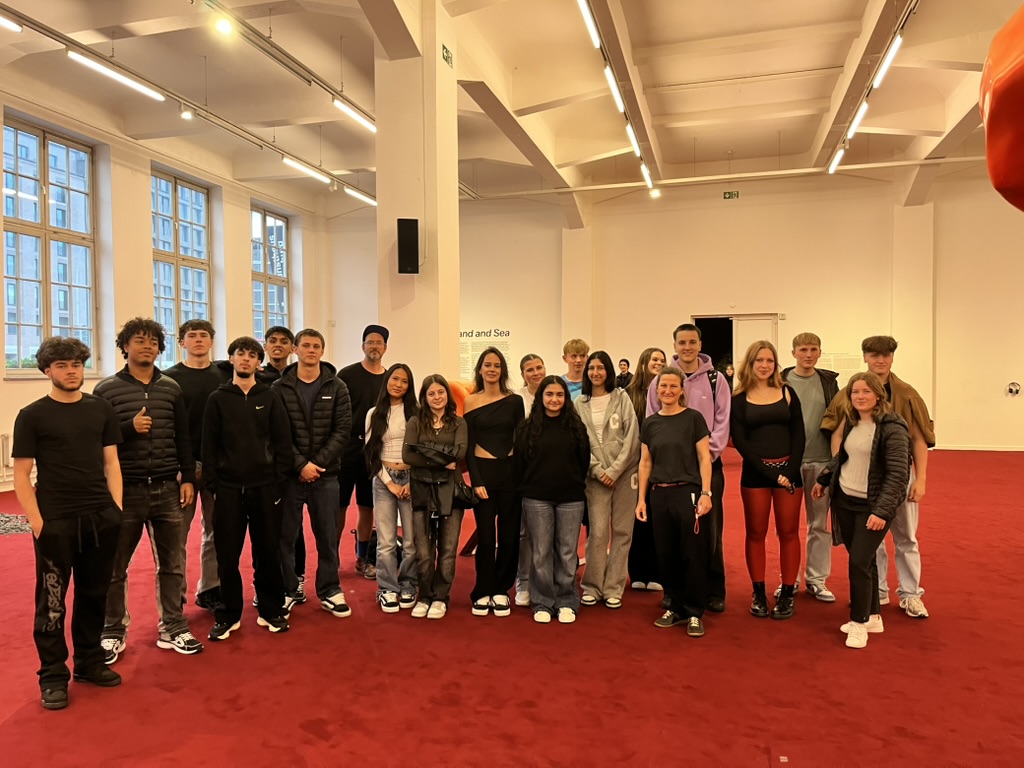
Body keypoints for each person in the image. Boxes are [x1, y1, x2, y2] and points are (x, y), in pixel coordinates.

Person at [13, 337, 124, 710]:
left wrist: (116, 509)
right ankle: (53, 676)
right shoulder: (32, 415)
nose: (71, 371)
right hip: (56, 521)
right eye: (62, 365)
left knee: (94, 595)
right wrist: (37, 522)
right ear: (47, 371)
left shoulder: (100, 409)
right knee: (52, 603)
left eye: (76, 364)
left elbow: (111, 462)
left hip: (100, 518)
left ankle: (89, 663)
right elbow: (22, 474)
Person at [94, 317, 201, 663]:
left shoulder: (171, 388)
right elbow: (97, 440)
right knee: (114, 567)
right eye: (139, 341)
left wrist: (188, 477)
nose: (147, 347)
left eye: (153, 342)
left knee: (172, 564)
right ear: (125, 346)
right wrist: (129, 427)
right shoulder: (106, 390)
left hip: (168, 488)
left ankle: (174, 626)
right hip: (125, 491)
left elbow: (183, 437)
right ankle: (112, 631)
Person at [822, 335, 935, 619]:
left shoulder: (907, 394)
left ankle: (911, 594)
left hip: (897, 478)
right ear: (865, 357)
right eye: (874, 355)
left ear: (893, 357)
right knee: (872, 542)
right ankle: (877, 591)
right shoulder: (849, 392)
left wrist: (920, 479)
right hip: (861, 483)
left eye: (886, 355)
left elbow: (919, 438)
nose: (880, 360)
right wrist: (838, 470)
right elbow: (838, 434)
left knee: (906, 537)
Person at [203, 336, 293, 640]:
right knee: (227, 555)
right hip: (228, 489)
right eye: (240, 354)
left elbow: (282, 442)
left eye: (252, 355)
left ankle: (271, 609)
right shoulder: (218, 398)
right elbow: (208, 445)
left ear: (258, 362)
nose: (245, 359)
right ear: (231, 359)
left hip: (265, 487)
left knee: (267, 551)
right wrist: (215, 484)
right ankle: (228, 614)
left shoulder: (270, 396)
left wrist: (277, 481)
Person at [812, 373, 910, 648]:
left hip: (873, 506)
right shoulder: (853, 421)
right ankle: (873, 617)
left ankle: (858, 622)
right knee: (865, 560)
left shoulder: (893, 427)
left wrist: (881, 511)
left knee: (858, 562)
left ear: (878, 395)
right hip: (845, 501)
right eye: (855, 391)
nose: (860, 396)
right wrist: (823, 479)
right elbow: (843, 457)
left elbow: (898, 475)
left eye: (866, 391)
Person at [646, 325, 730, 613]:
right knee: (673, 536)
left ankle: (713, 590)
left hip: (707, 468)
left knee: (710, 531)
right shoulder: (661, 380)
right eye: (682, 342)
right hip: (672, 470)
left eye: (692, 342)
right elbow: (652, 420)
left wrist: (705, 455)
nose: (687, 347)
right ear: (674, 345)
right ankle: (676, 592)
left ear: (700, 344)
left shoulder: (716, 379)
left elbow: (722, 421)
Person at [273, 329, 354, 619]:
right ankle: (288, 589)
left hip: (326, 476)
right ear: (295, 350)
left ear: (322, 350)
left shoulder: (338, 386)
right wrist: (299, 465)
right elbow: (277, 432)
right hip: (290, 477)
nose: (311, 350)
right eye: (305, 345)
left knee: (328, 537)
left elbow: (342, 430)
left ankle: (330, 590)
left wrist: (316, 465)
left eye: (316, 346)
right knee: (285, 538)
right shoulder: (279, 388)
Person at [635, 366, 713, 638]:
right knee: (666, 553)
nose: (667, 391)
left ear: (682, 390)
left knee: (692, 553)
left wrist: (706, 493)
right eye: (663, 386)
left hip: (687, 493)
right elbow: (645, 463)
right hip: (659, 495)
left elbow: (704, 458)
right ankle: (674, 606)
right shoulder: (650, 423)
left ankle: (694, 612)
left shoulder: (693, 419)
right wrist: (641, 499)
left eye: (673, 386)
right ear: (656, 391)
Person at [729, 340, 805, 620]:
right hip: (756, 474)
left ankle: (787, 593)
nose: (764, 365)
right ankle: (758, 592)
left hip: (789, 473)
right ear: (750, 364)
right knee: (756, 532)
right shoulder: (739, 398)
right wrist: (771, 473)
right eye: (759, 360)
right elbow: (740, 441)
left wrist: (791, 470)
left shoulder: (787, 392)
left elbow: (799, 434)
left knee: (789, 532)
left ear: (776, 364)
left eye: (769, 360)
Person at [164, 319, 230, 612]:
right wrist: (182, 467)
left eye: (204, 335)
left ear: (212, 342)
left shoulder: (224, 375)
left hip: (218, 466)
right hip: (182, 468)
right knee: (176, 536)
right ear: (182, 342)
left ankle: (210, 588)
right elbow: (167, 427)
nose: (199, 340)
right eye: (192, 336)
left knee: (216, 532)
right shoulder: (169, 379)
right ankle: (175, 600)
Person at [515, 376, 590, 624]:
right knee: (540, 552)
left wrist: (572, 483)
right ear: (541, 397)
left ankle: (567, 600)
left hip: (570, 498)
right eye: (549, 394)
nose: (554, 399)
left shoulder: (576, 428)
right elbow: (520, 463)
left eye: (559, 395)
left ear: (566, 398)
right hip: (536, 498)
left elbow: (583, 461)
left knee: (567, 552)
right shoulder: (527, 428)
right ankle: (543, 602)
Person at [575, 351, 640, 609]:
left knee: (623, 531)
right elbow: (578, 442)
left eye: (601, 368)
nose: (596, 372)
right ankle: (592, 586)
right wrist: (597, 470)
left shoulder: (621, 398)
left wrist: (614, 471)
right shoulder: (579, 403)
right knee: (598, 532)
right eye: (591, 368)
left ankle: (614, 587)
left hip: (624, 475)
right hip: (595, 478)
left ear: (609, 371)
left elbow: (632, 437)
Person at [464, 347, 526, 617]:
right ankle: (483, 590)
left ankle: (502, 589)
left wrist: (521, 477)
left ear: (503, 370)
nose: (492, 369)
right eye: (487, 365)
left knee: (510, 537)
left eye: (497, 365)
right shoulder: (470, 401)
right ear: (480, 369)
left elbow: (520, 441)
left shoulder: (514, 401)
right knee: (487, 538)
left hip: (510, 474)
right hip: (483, 474)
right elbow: (468, 446)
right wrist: (475, 480)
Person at [403, 375, 468, 620]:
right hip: (422, 489)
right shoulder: (415, 422)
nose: (437, 397)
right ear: (424, 397)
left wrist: (425, 451)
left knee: (448, 548)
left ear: (447, 395)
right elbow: (408, 456)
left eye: (441, 392)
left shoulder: (459, 422)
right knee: (423, 549)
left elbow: (459, 453)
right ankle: (425, 596)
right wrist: (442, 459)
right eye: (431, 393)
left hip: (450, 490)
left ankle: (441, 597)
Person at [781, 332, 840, 602]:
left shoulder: (829, 383)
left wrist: (835, 460)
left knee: (819, 525)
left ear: (820, 352)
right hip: (789, 463)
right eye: (803, 349)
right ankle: (788, 579)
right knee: (787, 527)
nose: (808, 354)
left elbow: (839, 420)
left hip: (821, 461)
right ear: (793, 352)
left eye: (813, 349)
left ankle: (816, 579)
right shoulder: (780, 381)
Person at [365, 363, 419, 612]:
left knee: (411, 541)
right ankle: (387, 588)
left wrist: (410, 481)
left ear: (410, 386)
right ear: (387, 380)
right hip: (383, 479)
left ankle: (409, 584)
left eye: (404, 381)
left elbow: (421, 451)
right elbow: (371, 453)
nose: (398, 384)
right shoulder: (374, 413)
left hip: (411, 479)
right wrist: (390, 483)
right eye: (395, 379)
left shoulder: (416, 413)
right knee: (386, 541)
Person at [257, 325, 306, 595]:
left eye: (284, 341)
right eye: (273, 341)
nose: (278, 345)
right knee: (265, 527)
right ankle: (267, 580)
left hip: (293, 463)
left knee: (294, 525)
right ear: (265, 346)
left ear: (292, 348)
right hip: (264, 464)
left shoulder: (299, 377)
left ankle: (296, 576)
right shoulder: (256, 378)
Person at [338, 325, 389, 580]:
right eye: (370, 342)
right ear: (363, 346)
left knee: (367, 506)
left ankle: (363, 558)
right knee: (338, 506)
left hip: (374, 450)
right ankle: (331, 558)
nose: (374, 346)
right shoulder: (346, 375)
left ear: (385, 348)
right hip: (347, 448)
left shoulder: (389, 380)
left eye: (379, 343)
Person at [625, 346, 666, 592]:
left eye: (662, 360)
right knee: (637, 518)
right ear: (643, 363)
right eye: (654, 359)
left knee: (657, 518)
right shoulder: (630, 394)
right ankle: (637, 572)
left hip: (660, 462)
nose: (659, 363)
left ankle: (657, 572)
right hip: (635, 463)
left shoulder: (667, 390)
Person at [514, 353, 546, 607]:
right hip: (524, 472)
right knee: (524, 532)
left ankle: (544, 581)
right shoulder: (517, 399)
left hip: (549, 472)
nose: (536, 373)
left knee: (547, 533)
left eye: (539, 367)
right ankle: (523, 581)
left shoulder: (553, 393)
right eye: (530, 370)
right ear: (523, 374)